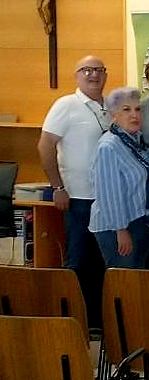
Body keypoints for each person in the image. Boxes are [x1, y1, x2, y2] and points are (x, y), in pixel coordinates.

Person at [38, 55, 111, 326]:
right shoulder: (66, 105)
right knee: (78, 262)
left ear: (105, 74)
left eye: (99, 70)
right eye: (86, 70)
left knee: (101, 263)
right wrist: (57, 187)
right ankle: (72, 321)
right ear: (76, 75)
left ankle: (95, 321)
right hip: (78, 198)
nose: (93, 75)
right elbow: (45, 147)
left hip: (106, 199)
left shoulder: (110, 106)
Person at [89, 87, 149, 269]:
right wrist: (121, 230)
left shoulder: (136, 141)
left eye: (137, 109)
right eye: (126, 110)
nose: (134, 115)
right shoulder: (109, 146)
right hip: (116, 227)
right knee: (123, 285)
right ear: (114, 116)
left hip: (138, 220)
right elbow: (109, 194)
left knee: (136, 283)